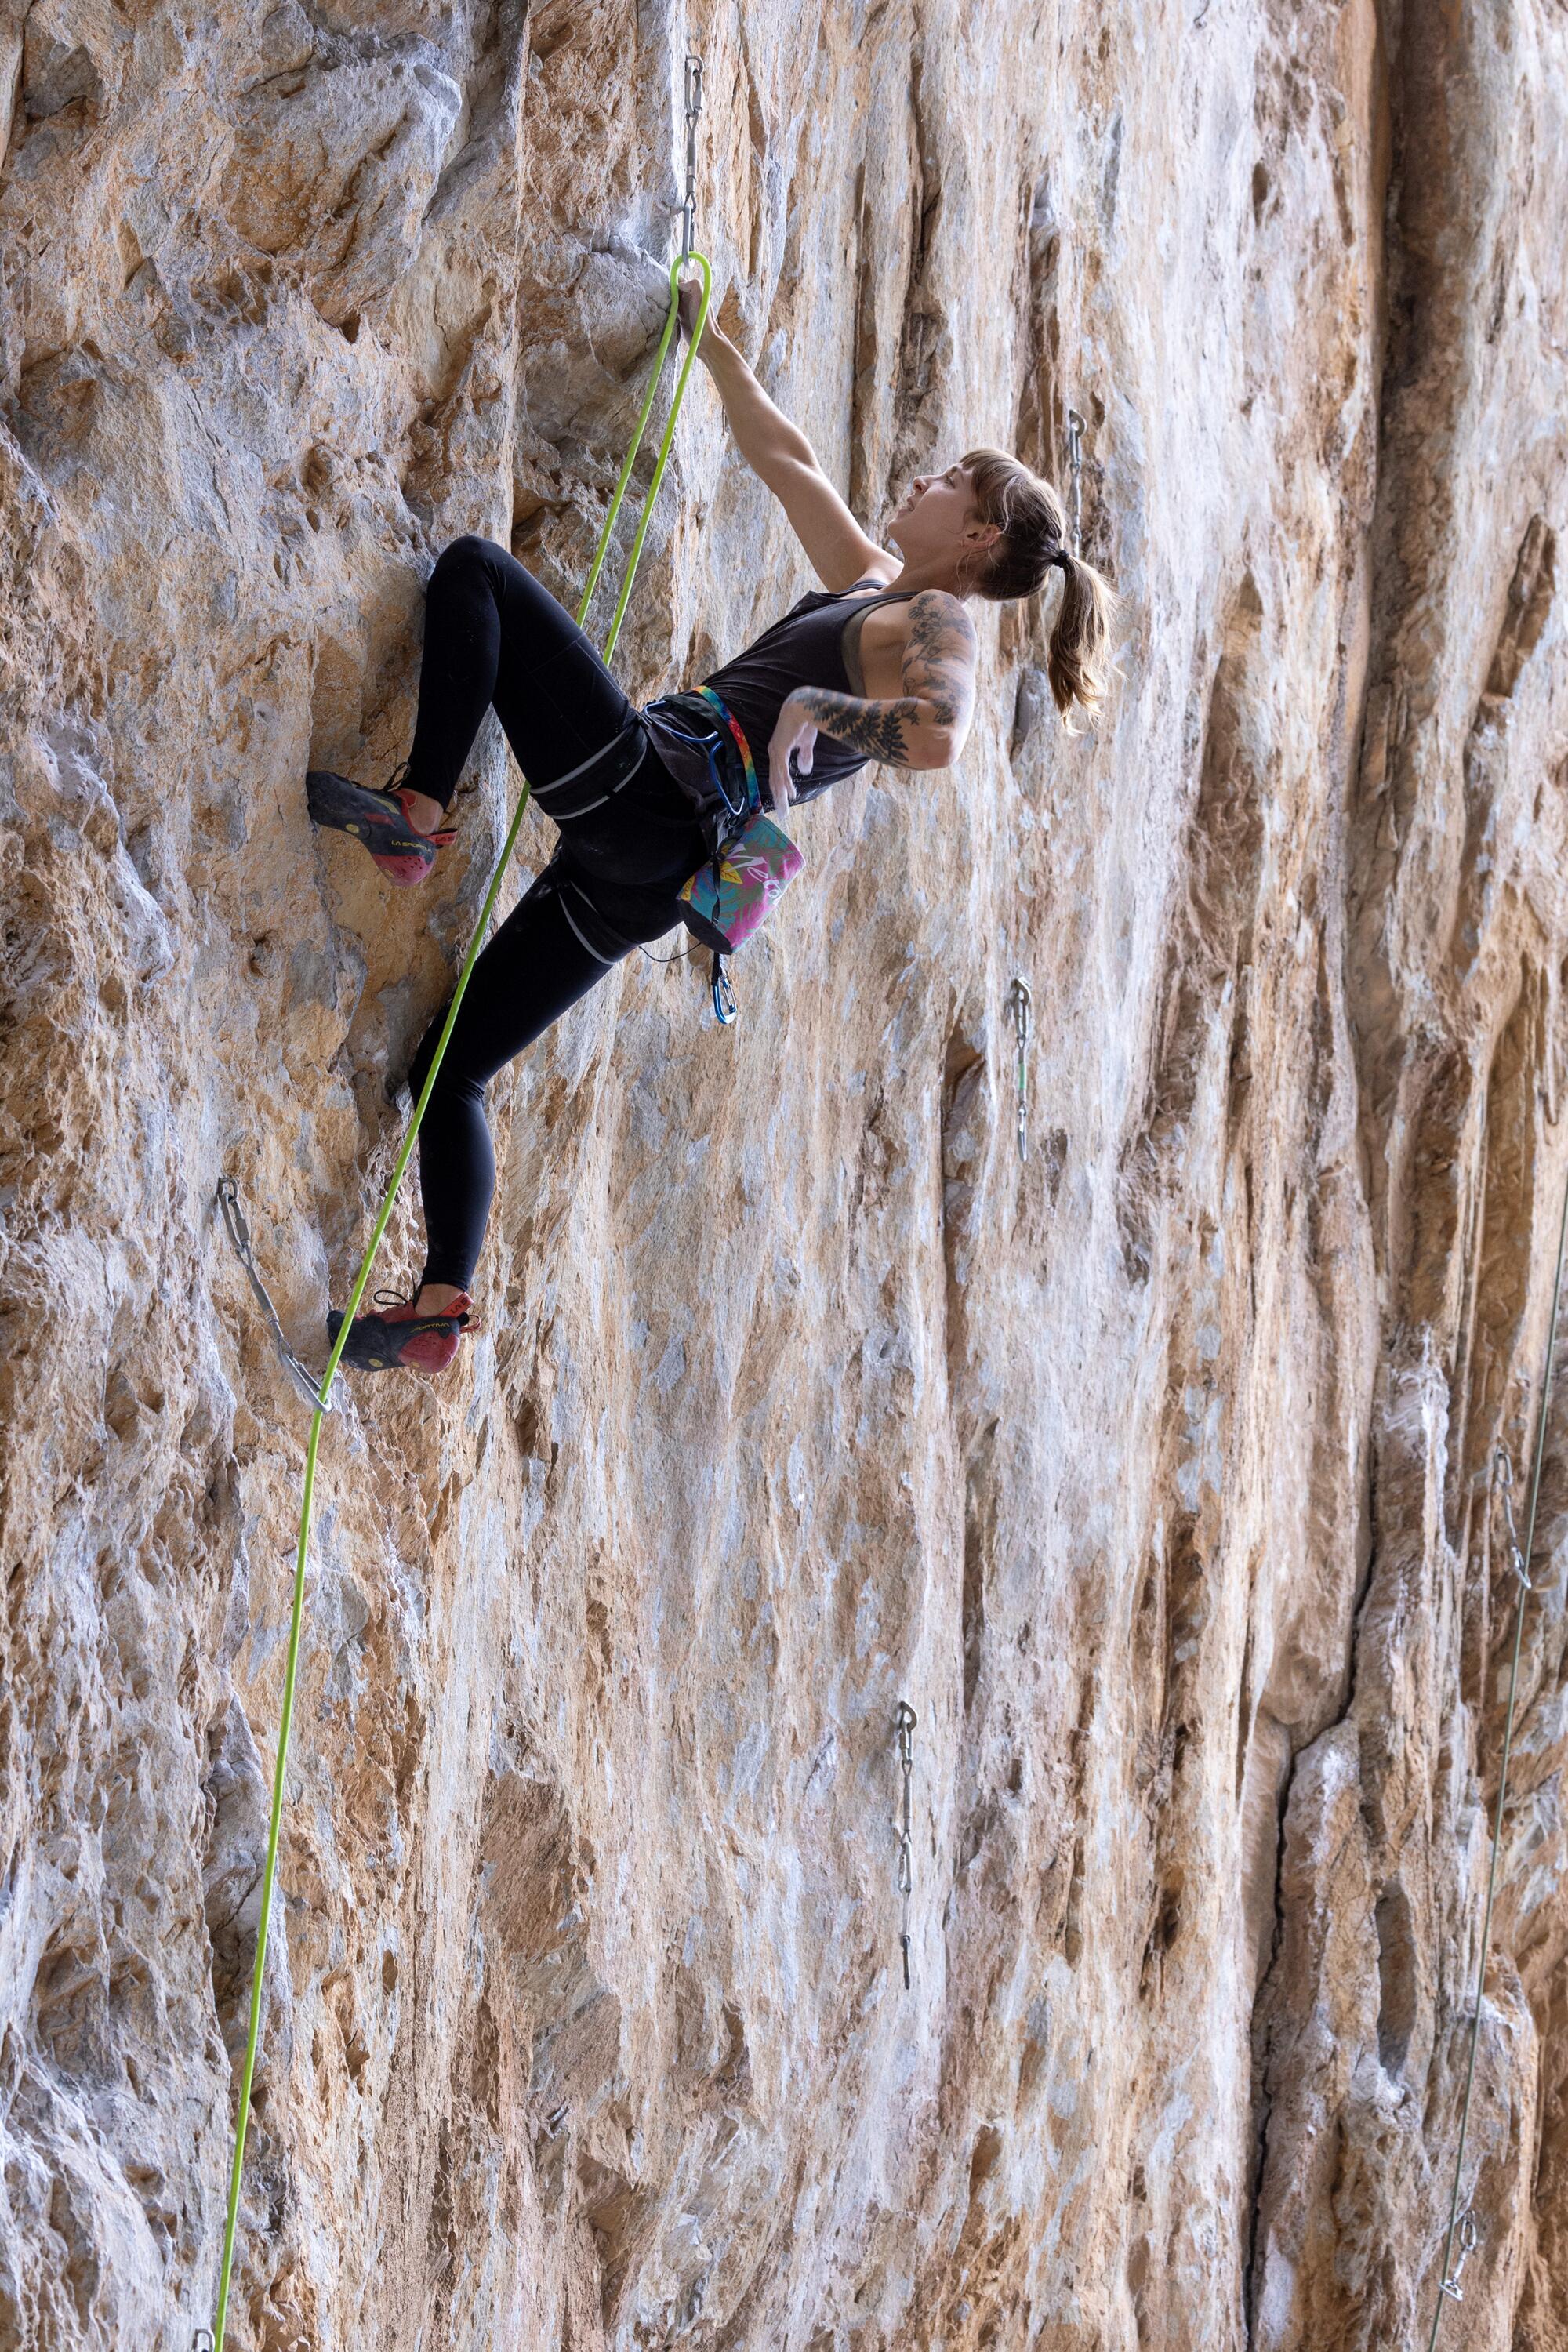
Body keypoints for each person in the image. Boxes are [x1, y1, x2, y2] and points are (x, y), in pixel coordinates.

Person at [306, 274, 1119, 1375]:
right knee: (450, 1069)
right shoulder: (882, 589)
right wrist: (716, 349)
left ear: (976, 533)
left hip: (662, 791)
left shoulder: (937, 618)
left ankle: (416, 811)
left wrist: (804, 707)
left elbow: (937, 738)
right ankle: (443, 1299)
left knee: (476, 576)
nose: (919, 479)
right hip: (649, 878)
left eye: (944, 480)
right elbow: (791, 467)